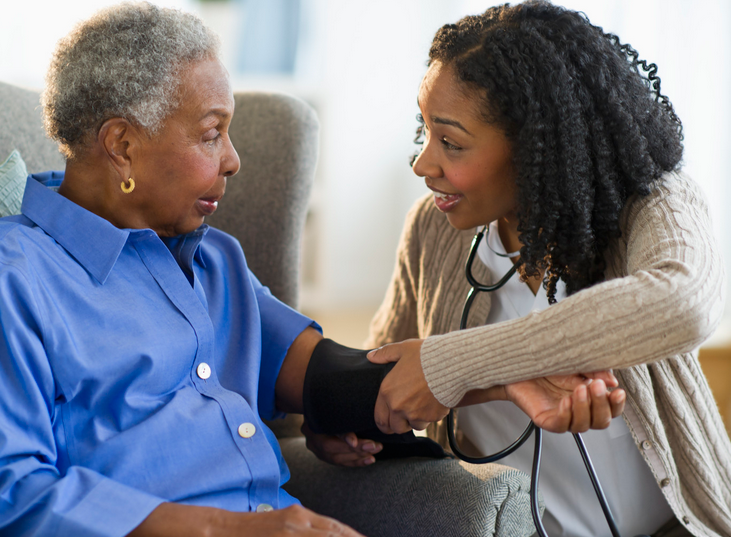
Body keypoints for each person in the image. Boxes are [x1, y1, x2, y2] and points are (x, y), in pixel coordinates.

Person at [0, 3, 622, 537]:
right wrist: (240, 530)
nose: (233, 159)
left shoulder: (215, 262)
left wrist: (506, 379)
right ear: (122, 145)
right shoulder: (5, 276)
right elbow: (0, 492)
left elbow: (337, 380)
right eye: (211, 133)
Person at [308, 2, 731, 537]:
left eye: (451, 143)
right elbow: (392, 374)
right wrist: (349, 425)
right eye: (425, 131)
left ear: (536, 148)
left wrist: (458, 364)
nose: (422, 164)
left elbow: (683, 303)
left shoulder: (654, 203)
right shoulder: (432, 228)